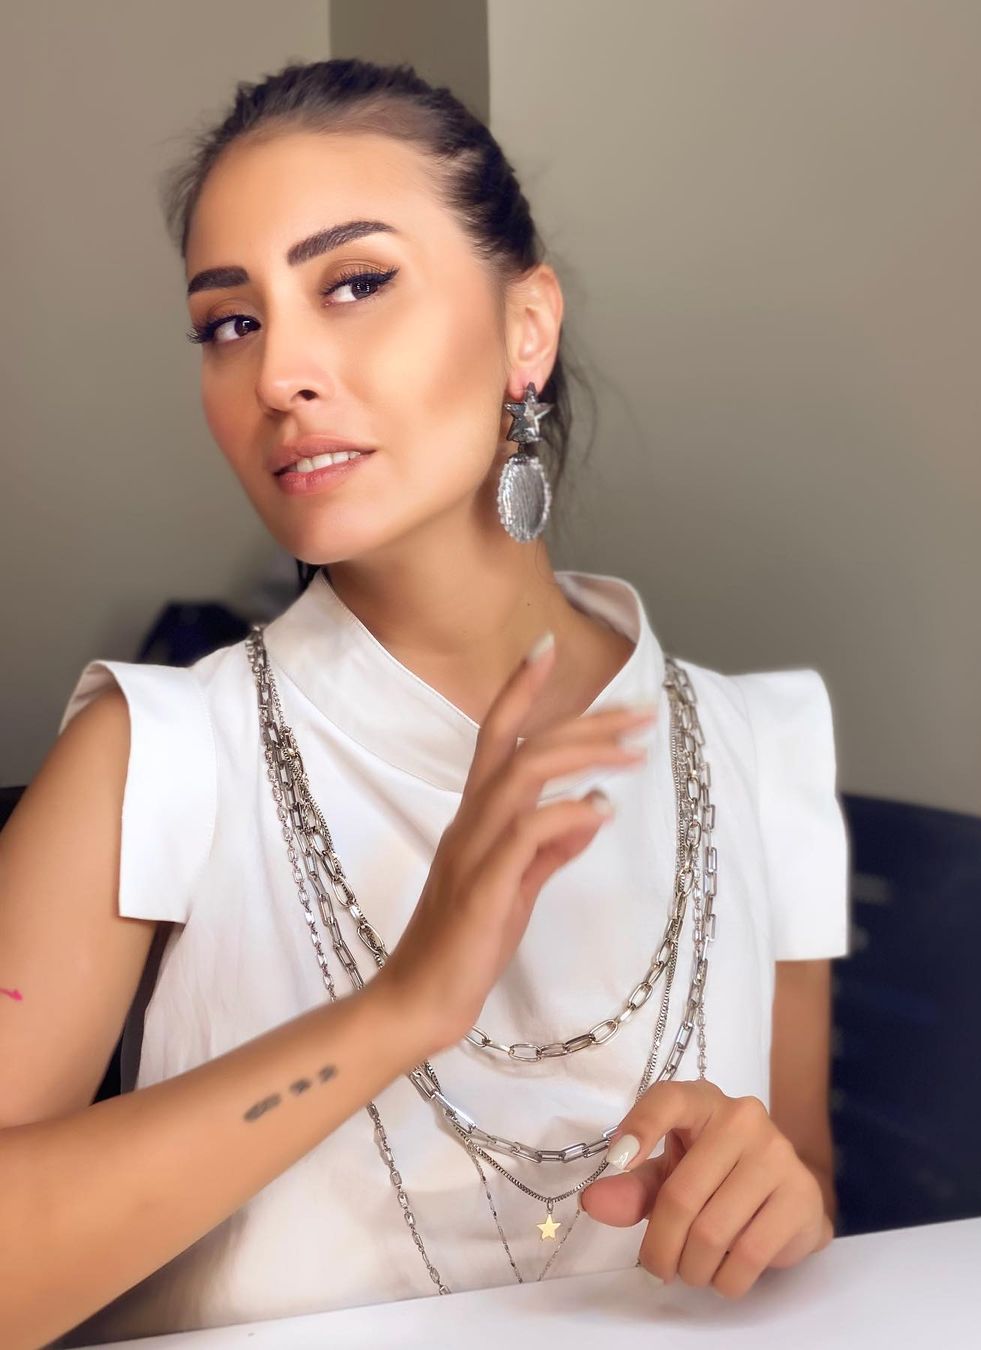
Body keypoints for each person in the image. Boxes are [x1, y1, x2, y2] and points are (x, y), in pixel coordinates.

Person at [0, 58, 850, 1348]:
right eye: (230, 322)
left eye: (354, 283)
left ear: (527, 328)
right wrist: (401, 1012)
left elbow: (810, 1201)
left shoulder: (758, 752)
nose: (279, 372)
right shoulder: (150, 758)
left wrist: (767, 1204)